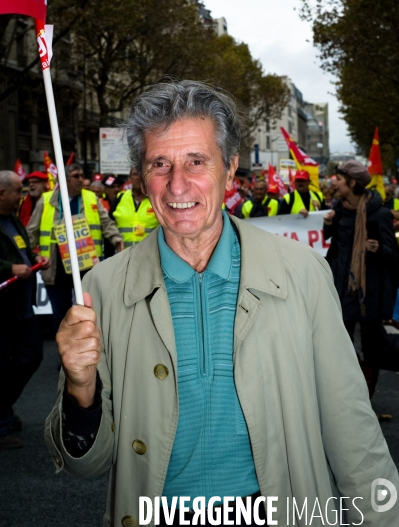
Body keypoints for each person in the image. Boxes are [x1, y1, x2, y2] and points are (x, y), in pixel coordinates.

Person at [46, 81, 398, 527]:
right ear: (140, 175)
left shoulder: (303, 273)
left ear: (230, 168)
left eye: (197, 161)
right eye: (160, 163)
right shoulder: (103, 289)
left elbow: (351, 426)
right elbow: (87, 465)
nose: (178, 183)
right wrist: (81, 388)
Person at [323, 161, 399, 398]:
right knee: (339, 345)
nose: (335, 182)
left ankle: (365, 401)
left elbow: (393, 255)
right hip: (341, 289)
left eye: (339, 179)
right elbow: (333, 243)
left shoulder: (380, 213)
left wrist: (379, 250)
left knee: (371, 349)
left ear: (352, 183)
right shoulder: (339, 208)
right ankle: (346, 399)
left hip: (369, 293)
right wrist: (328, 224)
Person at [27, 163, 124, 334]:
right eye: (76, 176)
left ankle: (90, 354)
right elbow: (31, 232)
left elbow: (106, 223)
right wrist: (30, 254)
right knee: (61, 315)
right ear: (64, 180)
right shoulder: (46, 200)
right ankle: (65, 358)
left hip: (86, 266)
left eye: (81, 176)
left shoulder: (91, 198)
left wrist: (116, 239)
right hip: (56, 270)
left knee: (89, 312)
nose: (81, 179)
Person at [0, 171, 50, 449]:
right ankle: (3, 423)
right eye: (18, 191)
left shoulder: (14, 221)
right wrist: (10, 269)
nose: (23, 196)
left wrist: (34, 259)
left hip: (23, 304)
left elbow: (23, 250)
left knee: (31, 356)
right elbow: (8, 263)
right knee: (4, 366)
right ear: (2, 194)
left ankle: (4, 407)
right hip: (5, 308)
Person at [110, 167, 159, 247]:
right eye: (135, 174)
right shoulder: (120, 198)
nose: (138, 177)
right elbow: (109, 225)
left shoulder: (156, 199)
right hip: (122, 255)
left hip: (149, 254)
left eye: (141, 174)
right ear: (129, 178)